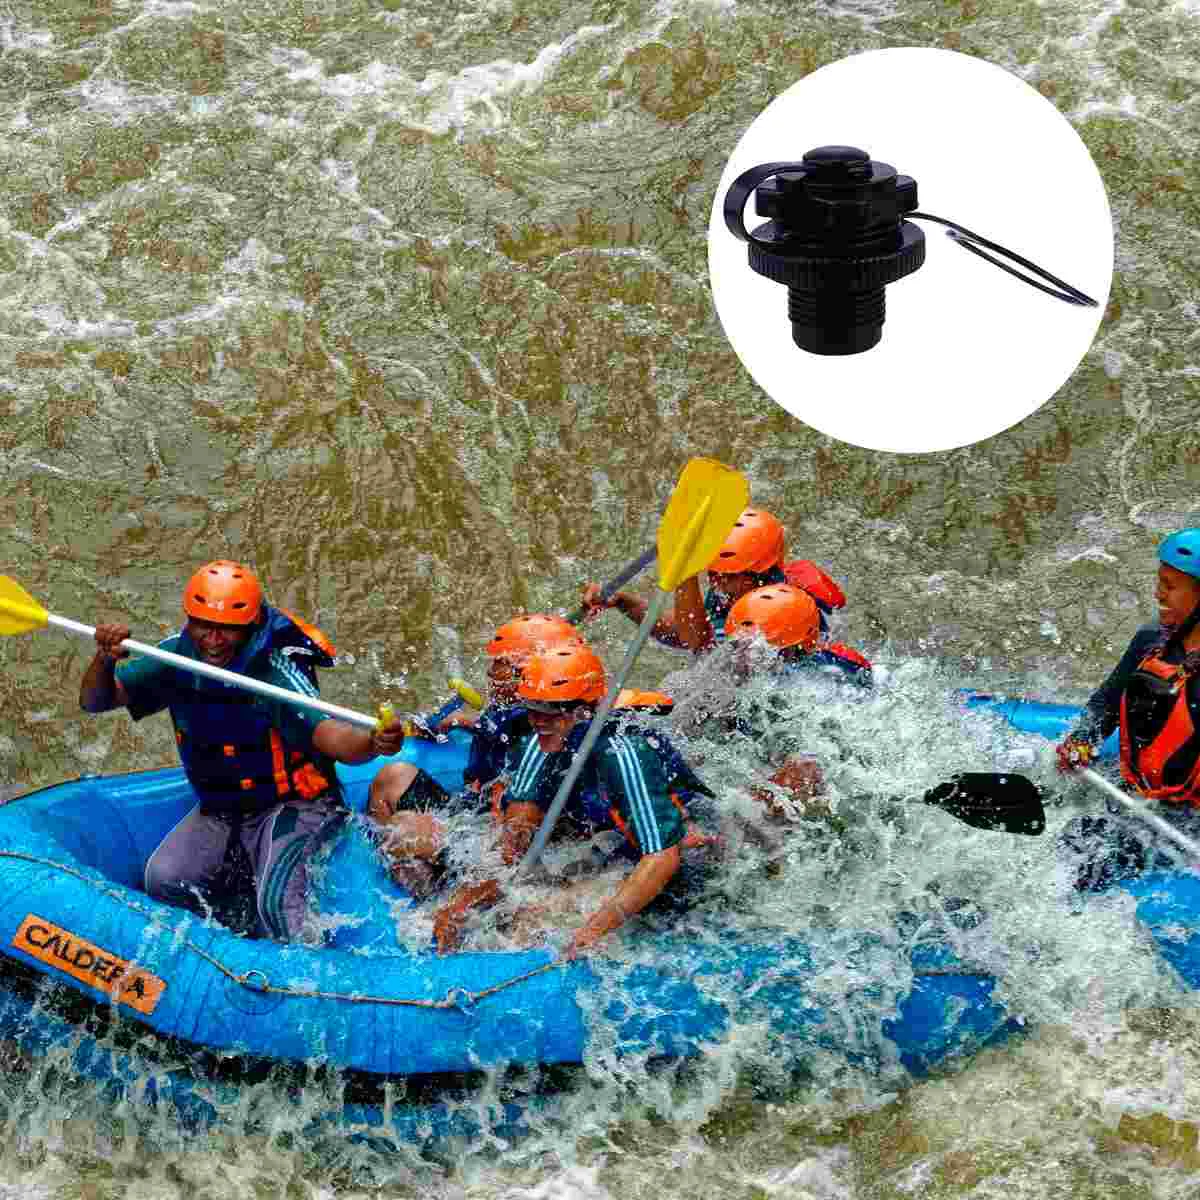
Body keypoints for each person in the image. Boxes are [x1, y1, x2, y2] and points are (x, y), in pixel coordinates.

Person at [80, 559, 406, 940]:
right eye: (204, 625)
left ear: (250, 626)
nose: (214, 639)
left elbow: (331, 737)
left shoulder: (275, 670)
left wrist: (373, 742)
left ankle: (298, 963)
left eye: (228, 629)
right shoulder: (175, 656)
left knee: (276, 905)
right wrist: (104, 658)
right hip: (223, 808)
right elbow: (96, 701)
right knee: (164, 879)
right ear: (189, 620)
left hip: (294, 804)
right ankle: (223, 948)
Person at [430, 644, 713, 957]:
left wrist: (592, 931)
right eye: (532, 708)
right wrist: (460, 906)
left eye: (552, 710)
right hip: (611, 848)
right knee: (509, 910)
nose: (539, 721)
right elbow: (512, 844)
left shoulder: (622, 752)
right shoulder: (539, 745)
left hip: (678, 858)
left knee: (531, 921)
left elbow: (662, 857)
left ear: (587, 709)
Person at [367, 613, 581, 895]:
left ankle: (440, 898)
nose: (490, 673)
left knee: (402, 829)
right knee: (392, 777)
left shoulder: (544, 737)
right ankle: (422, 883)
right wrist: (463, 722)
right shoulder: (514, 711)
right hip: (474, 813)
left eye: (500, 664)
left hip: (494, 840)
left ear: (526, 674)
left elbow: (513, 839)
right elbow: (501, 731)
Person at [1056, 529, 1200, 891]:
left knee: (1092, 861)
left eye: (1170, 586)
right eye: (1160, 582)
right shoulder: (1154, 640)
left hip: (1189, 819)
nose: (1158, 594)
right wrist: (1082, 739)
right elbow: (1105, 704)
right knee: (1069, 833)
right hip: (1132, 789)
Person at [580, 507, 845, 652]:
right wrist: (624, 602)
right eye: (712, 571)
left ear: (760, 572)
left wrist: (684, 573)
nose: (716, 582)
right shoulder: (732, 589)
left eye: (727, 575)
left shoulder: (778, 609)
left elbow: (698, 643)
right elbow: (681, 633)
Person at [719, 583, 872, 819]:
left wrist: (743, 803)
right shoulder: (751, 674)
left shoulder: (809, 690)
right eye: (739, 646)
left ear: (792, 648)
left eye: (760, 649)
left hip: (833, 778)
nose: (745, 656)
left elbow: (809, 768)